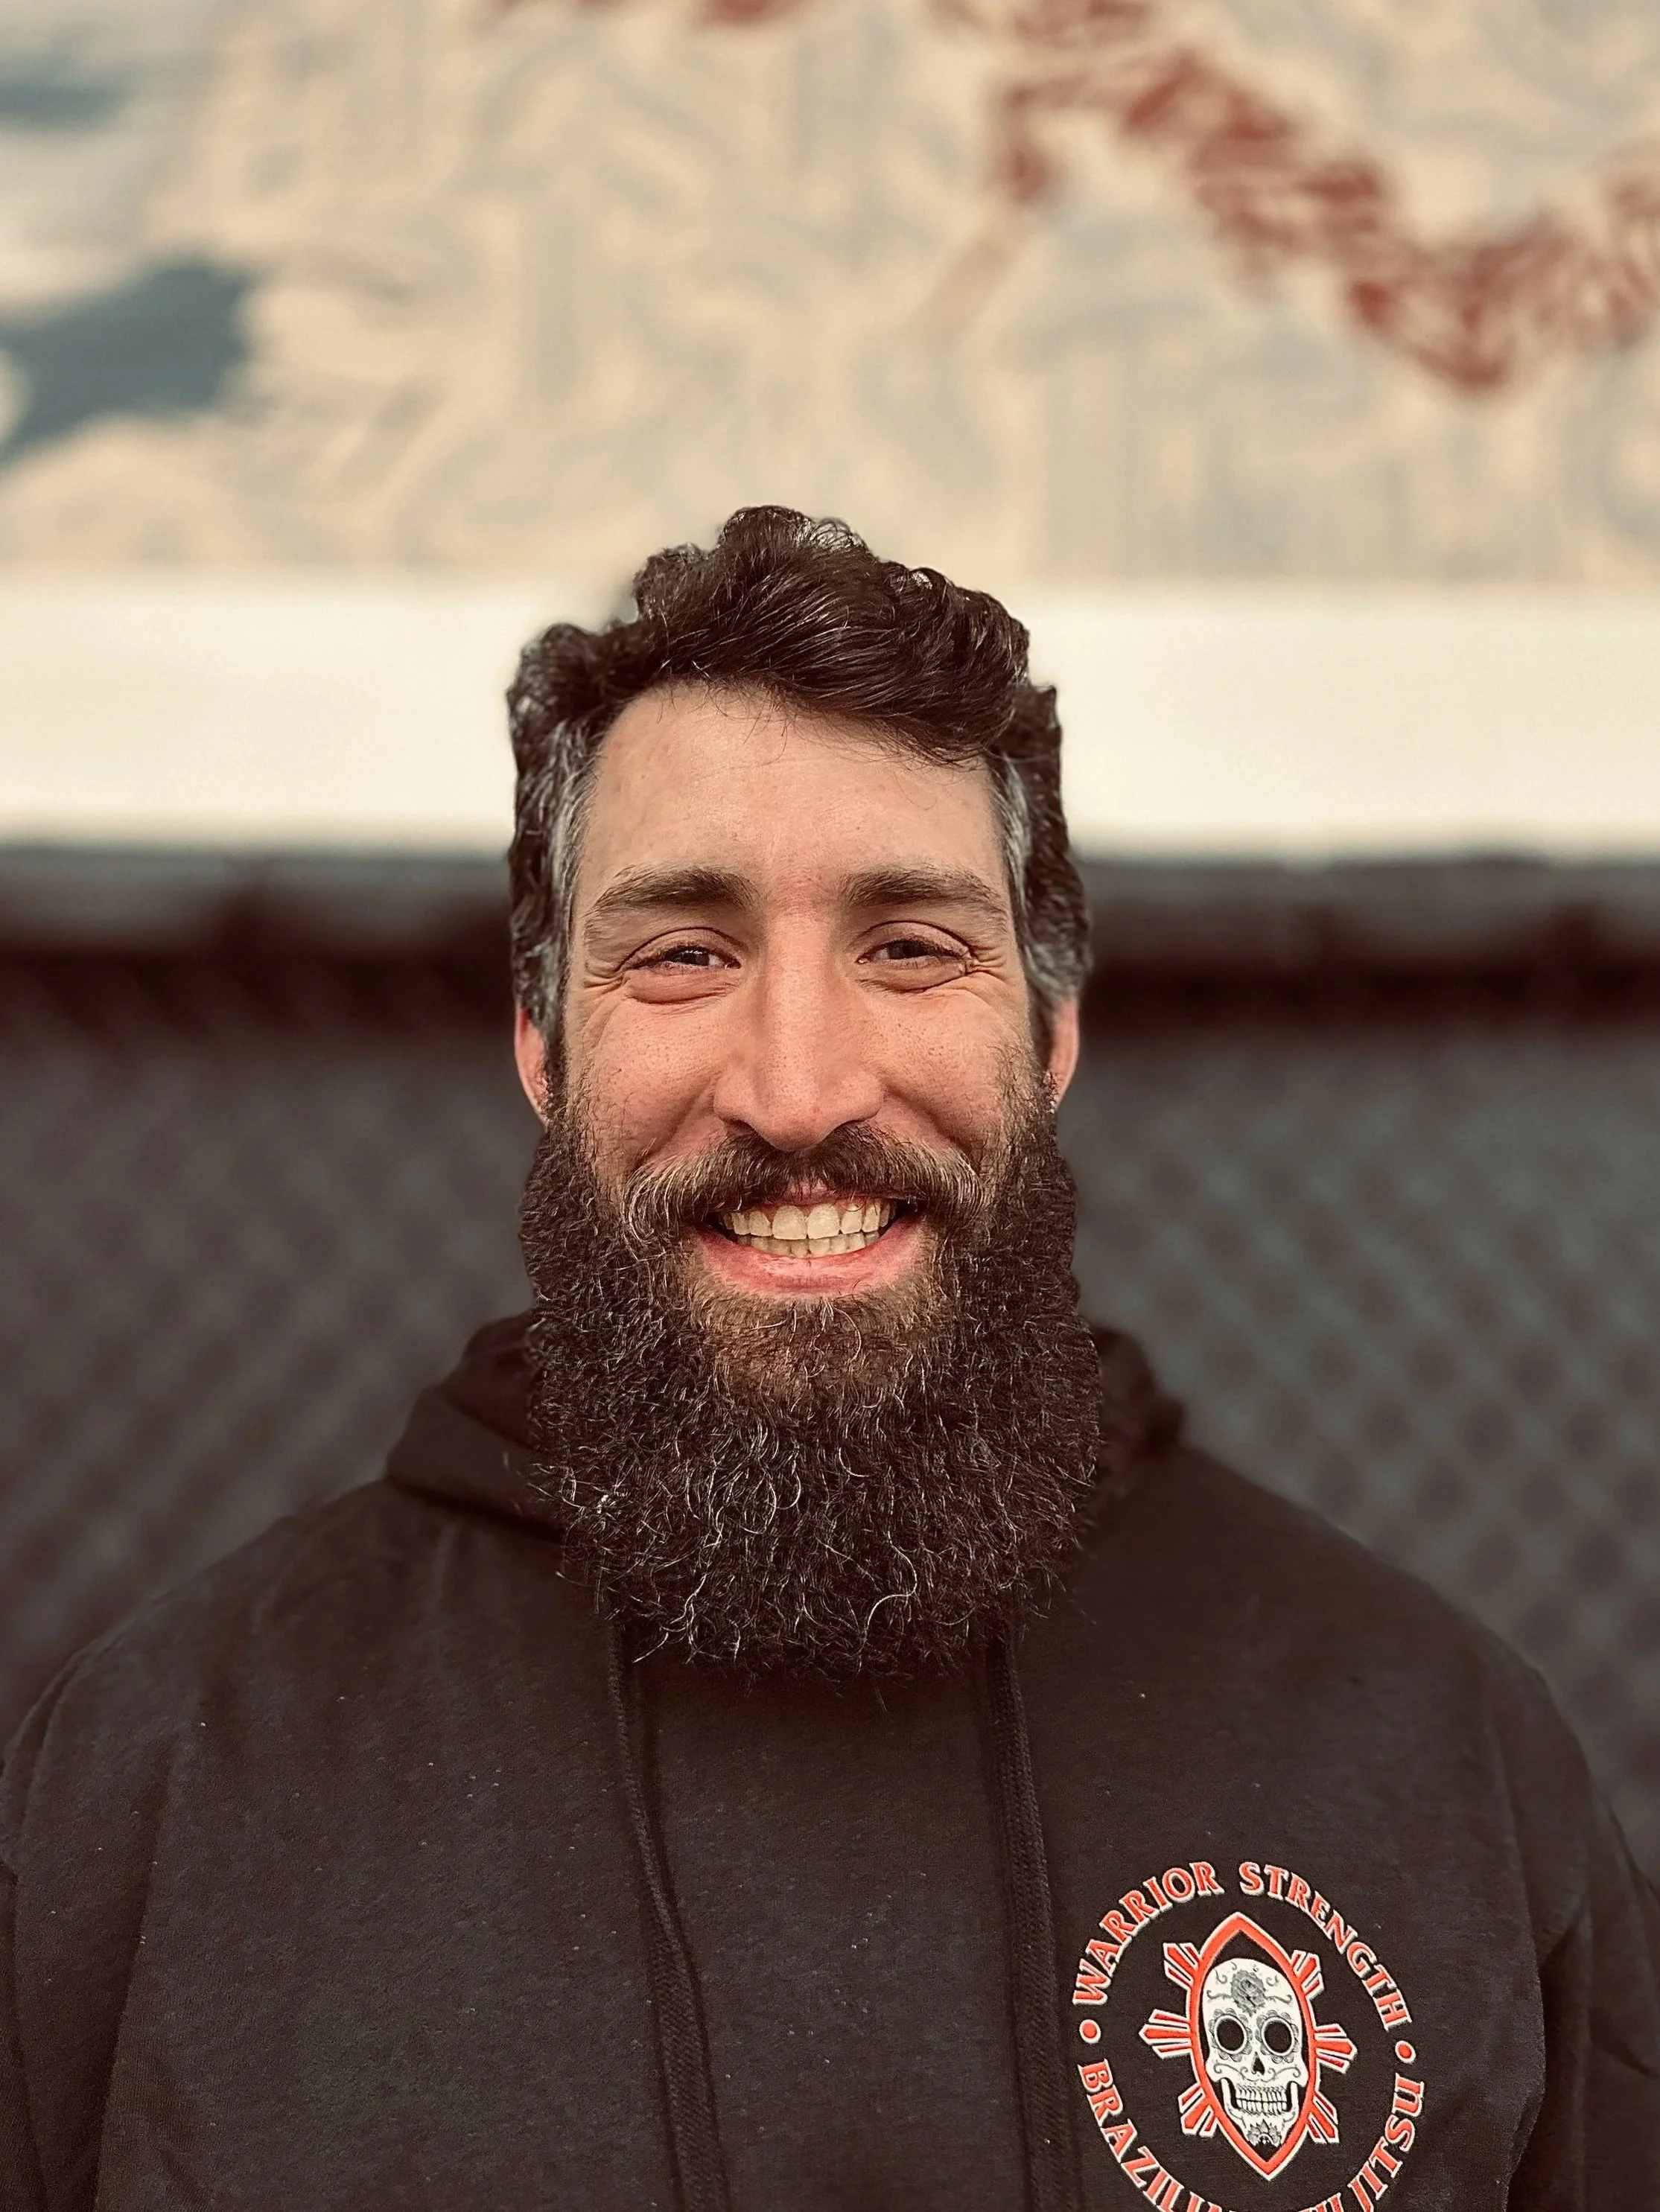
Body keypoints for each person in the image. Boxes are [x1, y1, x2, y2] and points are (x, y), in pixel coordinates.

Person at [1, 509, 1656, 2212]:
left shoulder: (1439, 1747)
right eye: (683, 953)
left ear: (1053, 1032)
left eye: (911, 944)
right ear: (540, 1047)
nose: (796, 1089)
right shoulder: (154, 1770)